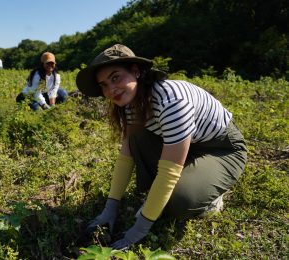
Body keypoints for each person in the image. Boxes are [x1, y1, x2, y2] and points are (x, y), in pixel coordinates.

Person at [75, 44, 247, 250]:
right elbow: (126, 156)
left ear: (136, 71)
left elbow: (168, 172)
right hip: (187, 145)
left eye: (116, 77)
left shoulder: (171, 101)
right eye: (103, 85)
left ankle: (211, 197)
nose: (110, 90)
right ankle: (188, 177)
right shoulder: (131, 103)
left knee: (180, 201)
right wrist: (110, 208)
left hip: (220, 148)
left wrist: (139, 229)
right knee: (135, 139)